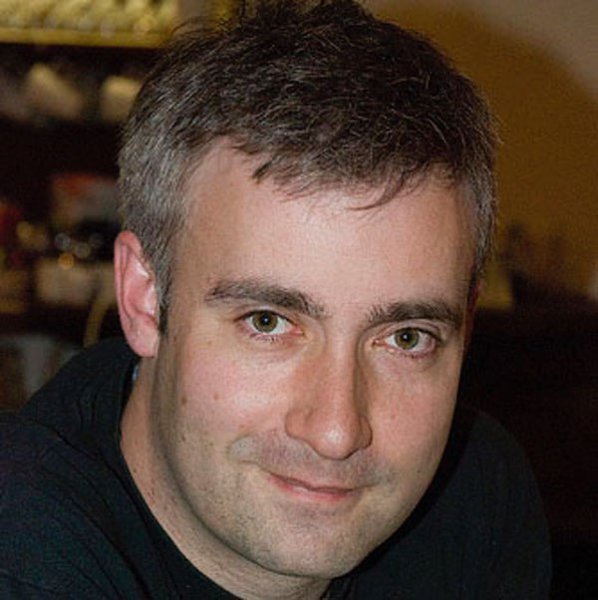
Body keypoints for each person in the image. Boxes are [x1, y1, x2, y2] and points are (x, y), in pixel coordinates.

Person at [0, 1, 550, 598]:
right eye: (267, 322)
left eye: (406, 338)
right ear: (144, 297)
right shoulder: (27, 555)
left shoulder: (476, 499)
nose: (336, 432)